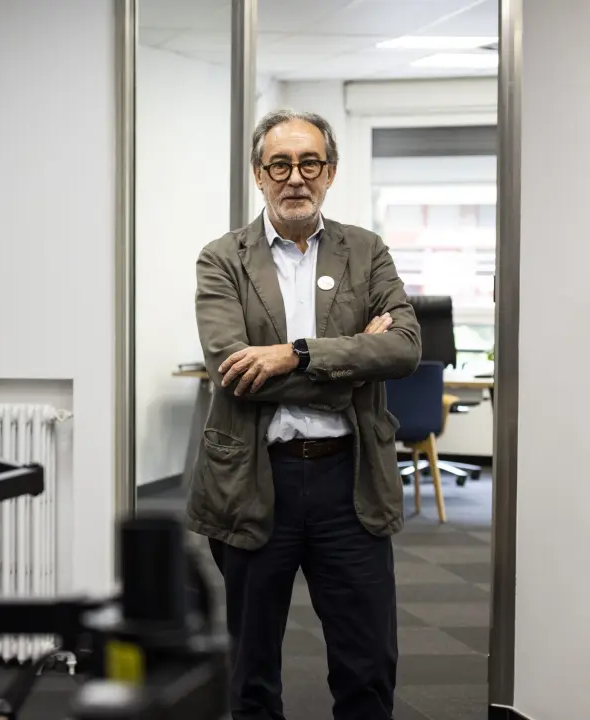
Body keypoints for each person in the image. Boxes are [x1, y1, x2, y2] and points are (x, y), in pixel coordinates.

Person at [189, 109, 421, 720]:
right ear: (259, 174)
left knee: (368, 665)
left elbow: (404, 348)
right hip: (253, 479)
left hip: (351, 481)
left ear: (330, 172)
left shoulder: (365, 251)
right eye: (280, 165)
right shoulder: (223, 259)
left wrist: (293, 355)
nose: (296, 177)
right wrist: (352, 365)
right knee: (250, 670)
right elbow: (233, 370)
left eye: (310, 163)